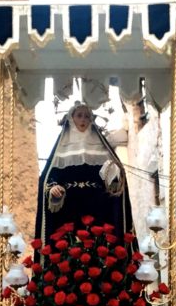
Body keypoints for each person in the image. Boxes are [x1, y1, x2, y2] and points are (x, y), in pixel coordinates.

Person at [35, 101, 133, 242]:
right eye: (79, 115)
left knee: (99, 242)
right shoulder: (61, 148)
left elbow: (115, 183)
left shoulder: (102, 147)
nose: (83, 120)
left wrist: (115, 174)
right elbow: (49, 179)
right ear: (71, 118)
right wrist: (53, 189)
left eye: (87, 116)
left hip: (98, 207)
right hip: (69, 210)